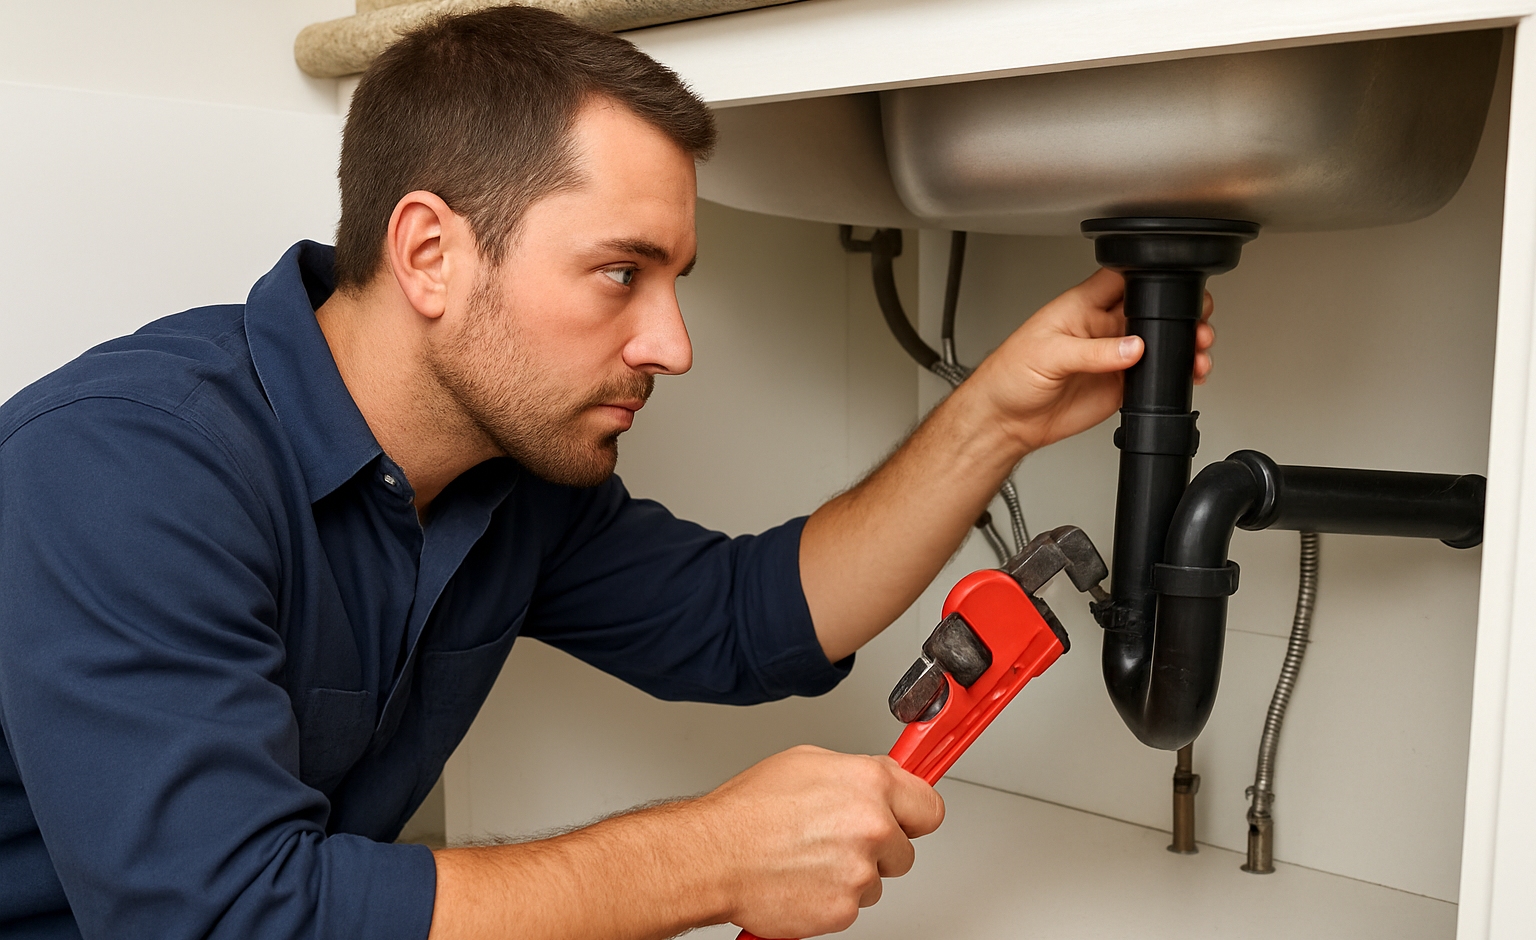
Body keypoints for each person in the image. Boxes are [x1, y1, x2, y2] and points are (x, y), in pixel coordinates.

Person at [0, 6, 1214, 940]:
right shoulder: (123, 468)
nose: (672, 344)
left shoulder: (507, 476)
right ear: (430, 251)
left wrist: (993, 416)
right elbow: (225, 921)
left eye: (675, 279)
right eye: (622, 272)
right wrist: (710, 855)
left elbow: (751, 620)